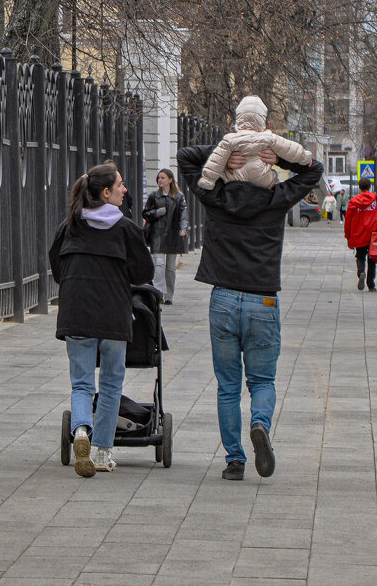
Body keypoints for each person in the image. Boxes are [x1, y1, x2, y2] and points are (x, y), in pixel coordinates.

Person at [178, 143, 323, 481]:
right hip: (263, 300)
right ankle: (260, 422)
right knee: (262, 380)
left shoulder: (215, 195)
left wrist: (226, 153)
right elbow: (314, 170)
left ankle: (234, 461)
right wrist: (282, 157)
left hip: (224, 299)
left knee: (227, 385)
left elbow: (185, 157)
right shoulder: (278, 198)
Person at [49, 163, 155, 478]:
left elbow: (57, 268)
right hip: (113, 315)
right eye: (120, 185)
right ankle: (102, 452)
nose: (125, 190)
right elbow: (143, 274)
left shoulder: (70, 225)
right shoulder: (126, 229)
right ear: (106, 192)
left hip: (76, 313)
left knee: (82, 383)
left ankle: (81, 430)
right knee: (110, 384)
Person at [196, 95, 312, 191]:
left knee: (226, 176)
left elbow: (216, 161)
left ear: (239, 117)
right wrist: (304, 157)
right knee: (273, 180)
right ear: (262, 118)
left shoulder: (230, 140)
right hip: (263, 181)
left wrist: (208, 179)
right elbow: (290, 149)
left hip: (236, 181)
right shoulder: (269, 138)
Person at [143, 169, 188, 304]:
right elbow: (145, 213)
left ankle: (169, 295)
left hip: (173, 234)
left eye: (163, 178)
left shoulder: (178, 197)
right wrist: (157, 212)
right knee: (159, 264)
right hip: (157, 234)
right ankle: (159, 293)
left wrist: (183, 228)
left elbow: (183, 214)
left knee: (170, 268)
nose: (160, 180)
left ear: (170, 180)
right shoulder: (154, 196)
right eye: (159, 178)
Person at [343, 178, 377, 292]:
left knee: (360, 256)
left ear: (359, 187)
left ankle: (361, 272)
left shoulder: (353, 202)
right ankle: (371, 285)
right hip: (375, 234)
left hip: (359, 234)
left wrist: (347, 235)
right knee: (372, 259)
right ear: (370, 186)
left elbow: (348, 220)